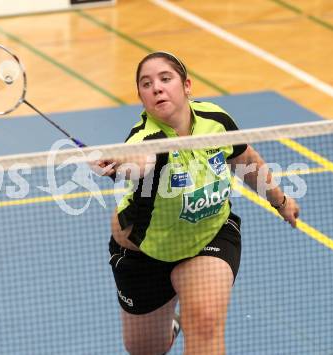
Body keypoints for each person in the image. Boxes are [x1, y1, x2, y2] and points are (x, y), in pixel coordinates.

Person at [98, 52, 299, 355]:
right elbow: (138, 162)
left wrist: (280, 200)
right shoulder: (145, 139)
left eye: (165, 79)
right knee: (145, 349)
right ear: (141, 97)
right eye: (146, 83)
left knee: (205, 324)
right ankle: (170, 326)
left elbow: (245, 159)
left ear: (186, 86)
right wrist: (118, 161)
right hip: (144, 252)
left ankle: (190, 319)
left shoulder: (215, 121)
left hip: (208, 235)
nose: (157, 87)